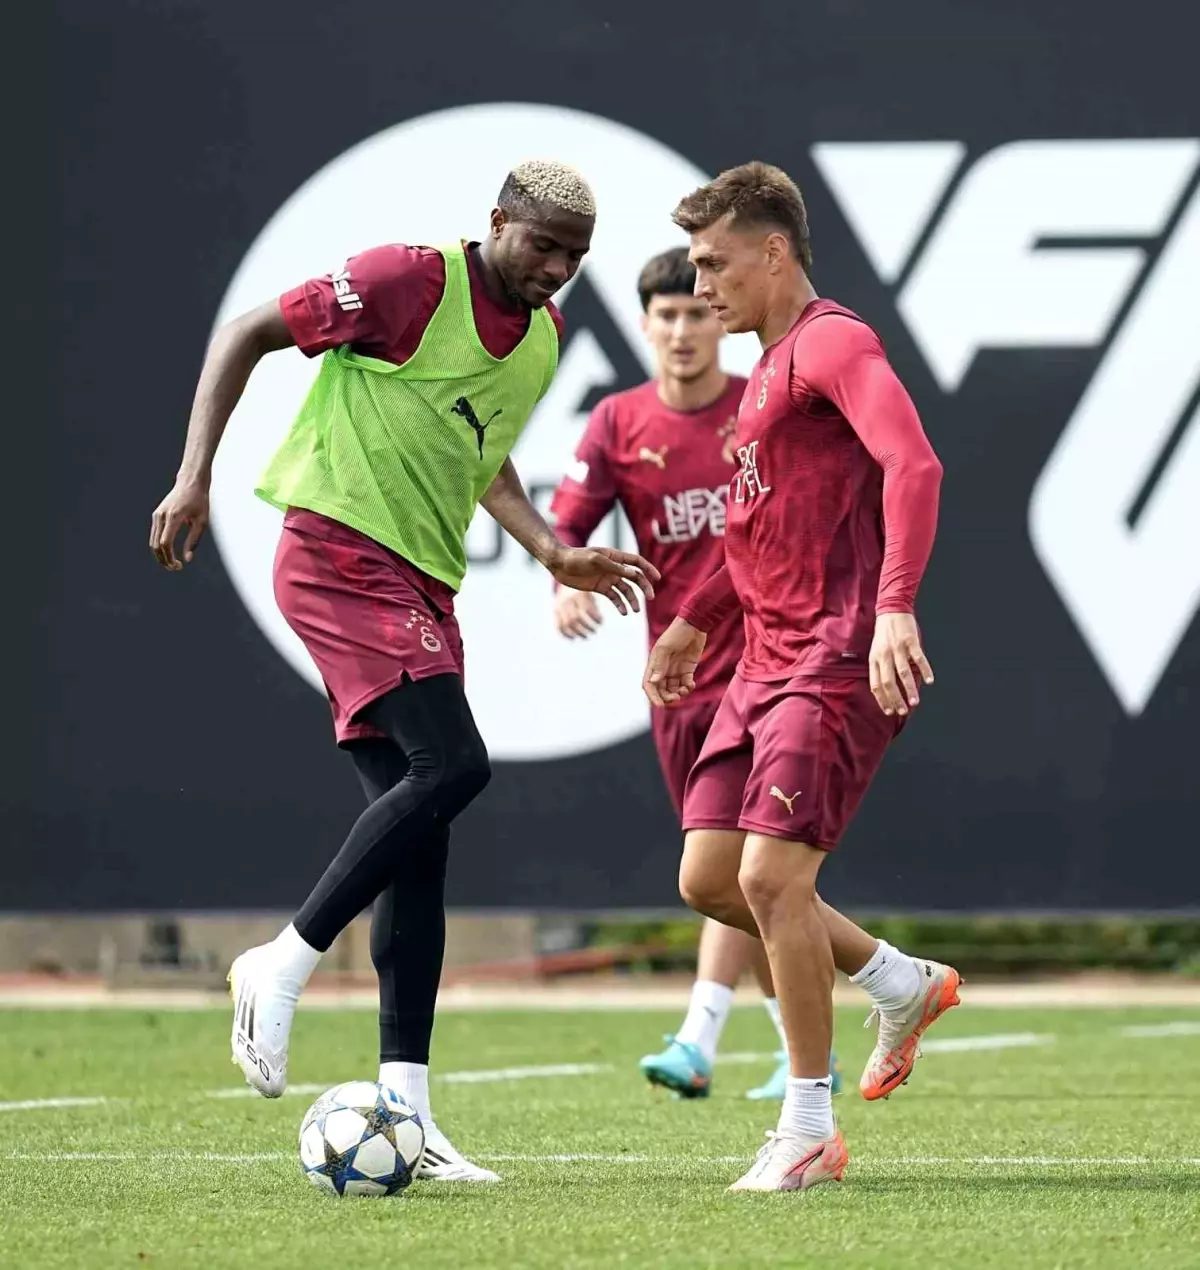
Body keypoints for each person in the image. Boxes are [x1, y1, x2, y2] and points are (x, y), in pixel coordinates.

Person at [149, 160, 659, 1183]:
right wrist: (193, 475)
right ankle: (282, 961)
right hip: (338, 551)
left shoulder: (544, 339)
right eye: (542, 245)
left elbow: (484, 452)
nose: (556, 269)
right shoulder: (406, 280)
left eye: (574, 257)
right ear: (497, 221)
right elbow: (246, 331)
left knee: (420, 843)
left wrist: (551, 551)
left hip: (423, 580)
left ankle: (408, 1119)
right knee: (455, 765)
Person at [644, 162, 961, 1192]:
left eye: (714, 263)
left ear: (774, 252)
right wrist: (693, 621)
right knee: (708, 879)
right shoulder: (763, 374)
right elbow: (757, 534)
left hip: (831, 655)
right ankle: (895, 979)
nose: (701, 287)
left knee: (772, 880)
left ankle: (809, 1128)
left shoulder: (831, 341)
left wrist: (895, 604)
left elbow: (915, 465)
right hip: (759, 661)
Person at [550, 247, 839, 1101]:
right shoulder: (617, 423)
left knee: (744, 867)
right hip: (678, 682)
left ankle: (700, 1034)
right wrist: (564, 583)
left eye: (694, 313)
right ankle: (807, 1041)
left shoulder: (760, 407)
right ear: (643, 325)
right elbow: (567, 529)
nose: (681, 330)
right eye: (665, 316)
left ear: (720, 320)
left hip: (769, 668)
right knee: (731, 881)